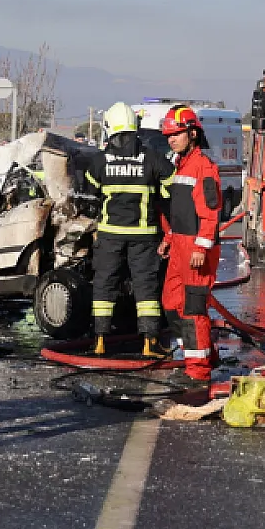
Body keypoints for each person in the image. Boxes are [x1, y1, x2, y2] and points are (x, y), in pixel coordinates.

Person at [84, 102, 172, 358]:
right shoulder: (153, 159)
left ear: (109, 128)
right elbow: (171, 193)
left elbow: (89, 198)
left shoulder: (99, 162)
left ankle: (100, 341)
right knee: (146, 287)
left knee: (104, 284)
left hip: (109, 235)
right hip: (144, 236)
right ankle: (150, 342)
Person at [158, 105, 223, 384]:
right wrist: (169, 238)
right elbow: (181, 212)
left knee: (193, 309)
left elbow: (210, 212)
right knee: (171, 303)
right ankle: (200, 354)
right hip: (179, 247)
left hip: (197, 250)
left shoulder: (203, 167)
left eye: (176, 134)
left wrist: (201, 248)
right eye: (169, 136)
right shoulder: (181, 165)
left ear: (193, 134)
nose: (171, 139)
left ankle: (198, 372)